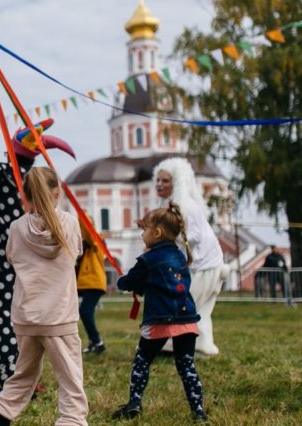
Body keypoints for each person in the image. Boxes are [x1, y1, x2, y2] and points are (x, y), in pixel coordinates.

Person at [0, 119, 75, 397]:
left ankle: (12, 383)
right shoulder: (31, 178)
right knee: (25, 321)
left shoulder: (2, 173)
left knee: (3, 320)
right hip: (29, 262)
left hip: (2, 261)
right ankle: (28, 379)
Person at [0, 167, 87, 426]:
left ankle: (1, 415)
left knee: (24, 372)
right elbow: (76, 253)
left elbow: (11, 258)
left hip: (26, 316)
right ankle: (71, 420)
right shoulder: (70, 224)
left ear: (24, 195)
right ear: (57, 193)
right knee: (70, 377)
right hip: (59, 317)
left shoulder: (16, 228)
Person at [112, 203, 207, 422]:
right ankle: (198, 411)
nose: (141, 234)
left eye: (144, 230)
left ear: (156, 233)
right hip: (187, 320)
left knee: (143, 360)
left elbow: (129, 281)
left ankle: (134, 402)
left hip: (160, 321)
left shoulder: (148, 259)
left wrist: (122, 281)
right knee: (186, 365)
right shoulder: (180, 257)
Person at [154, 158, 225, 356]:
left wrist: (165, 238)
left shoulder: (184, 206)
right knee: (193, 307)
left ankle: (187, 345)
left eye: (165, 181)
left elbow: (194, 237)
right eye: (158, 180)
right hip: (197, 264)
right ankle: (194, 345)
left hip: (204, 265)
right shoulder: (172, 206)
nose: (159, 184)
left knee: (186, 305)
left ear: (177, 182)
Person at [76, 219, 107, 354]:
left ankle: (97, 342)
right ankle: (94, 342)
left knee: (85, 312)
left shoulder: (96, 243)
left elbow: (88, 232)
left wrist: (81, 216)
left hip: (94, 283)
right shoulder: (83, 246)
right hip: (84, 285)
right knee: (82, 312)